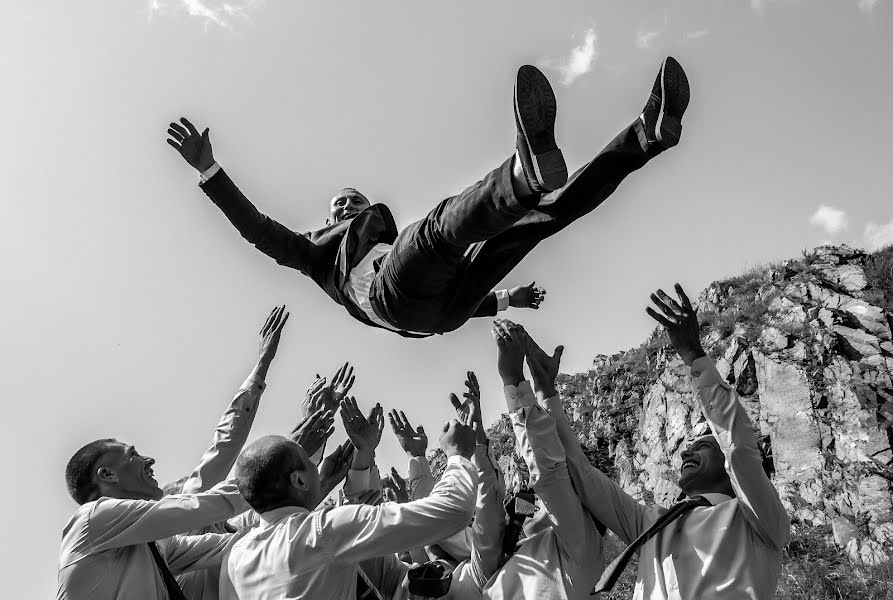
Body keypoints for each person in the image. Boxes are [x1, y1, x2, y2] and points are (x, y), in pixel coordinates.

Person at [166, 58, 690, 336]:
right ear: (328, 221)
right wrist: (210, 171)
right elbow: (257, 229)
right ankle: (522, 176)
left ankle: (644, 137)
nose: (348, 208)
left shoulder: (393, 245)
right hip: (391, 299)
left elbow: (461, 300)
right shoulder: (313, 254)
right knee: (439, 230)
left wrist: (508, 300)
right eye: (340, 207)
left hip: (444, 310)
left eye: (355, 201)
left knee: (542, 220)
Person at [549, 284, 790, 599]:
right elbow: (580, 472)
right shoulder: (649, 524)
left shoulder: (758, 520)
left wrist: (693, 355)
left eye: (703, 445)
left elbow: (739, 449)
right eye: (690, 445)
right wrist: (543, 392)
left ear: (730, 470)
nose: (687, 449)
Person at [218, 397, 480, 599]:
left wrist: (363, 453)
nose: (321, 467)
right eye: (309, 462)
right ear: (298, 480)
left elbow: (373, 562)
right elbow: (452, 511)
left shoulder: (235, 556)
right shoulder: (320, 532)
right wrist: (458, 455)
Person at [481, 320, 605, 600]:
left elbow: (551, 473)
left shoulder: (581, 545)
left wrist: (512, 377)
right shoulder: (537, 548)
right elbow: (560, 461)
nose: (537, 503)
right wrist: (544, 387)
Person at [57, 440, 247, 599]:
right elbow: (194, 508)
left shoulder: (156, 546)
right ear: (108, 474)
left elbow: (227, 545)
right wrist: (260, 477)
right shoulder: (94, 518)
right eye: (133, 454)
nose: (149, 460)